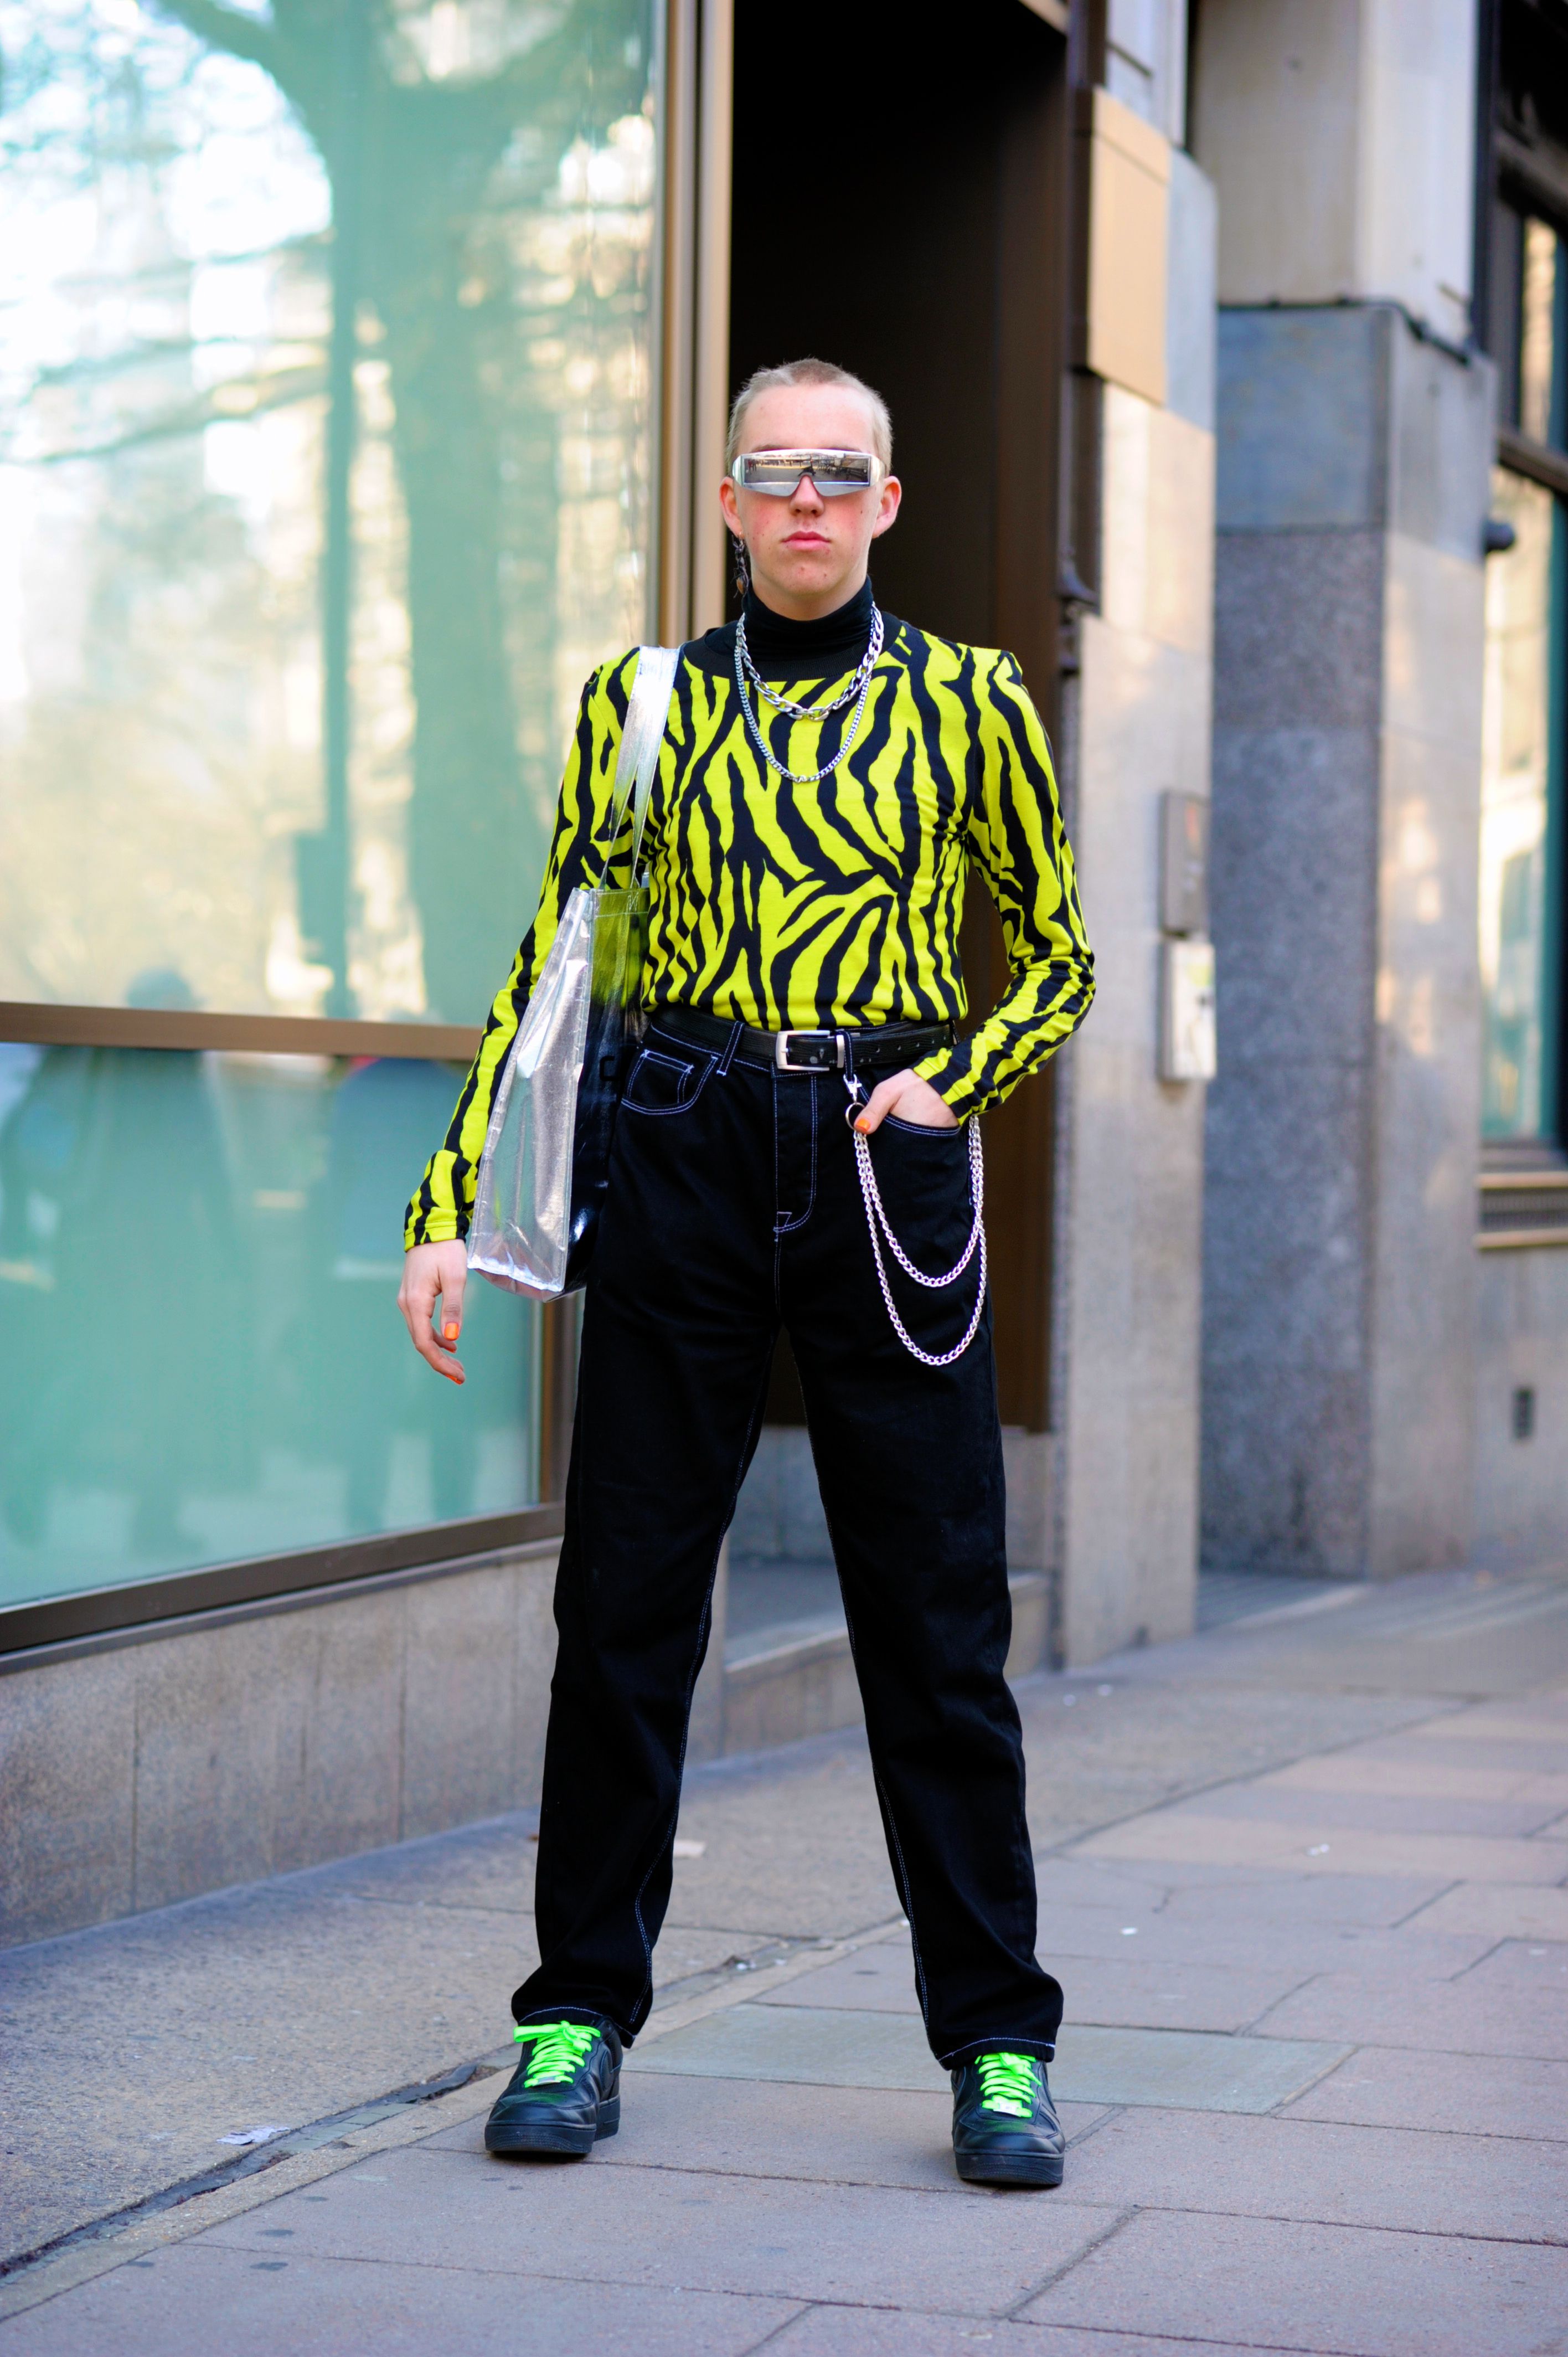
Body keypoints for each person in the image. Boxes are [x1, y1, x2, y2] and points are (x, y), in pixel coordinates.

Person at [399, 358, 1095, 2189]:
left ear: (886, 502)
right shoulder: (640, 704)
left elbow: (1061, 959)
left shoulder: (975, 703)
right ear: (725, 503)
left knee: (938, 1627)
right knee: (624, 1612)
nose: (805, 499)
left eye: (838, 472)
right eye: (773, 471)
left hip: (883, 1156)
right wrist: (453, 1202)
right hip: (684, 1143)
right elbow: (558, 956)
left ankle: (1000, 2047)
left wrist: (954, 1081)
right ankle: (574, 2019)